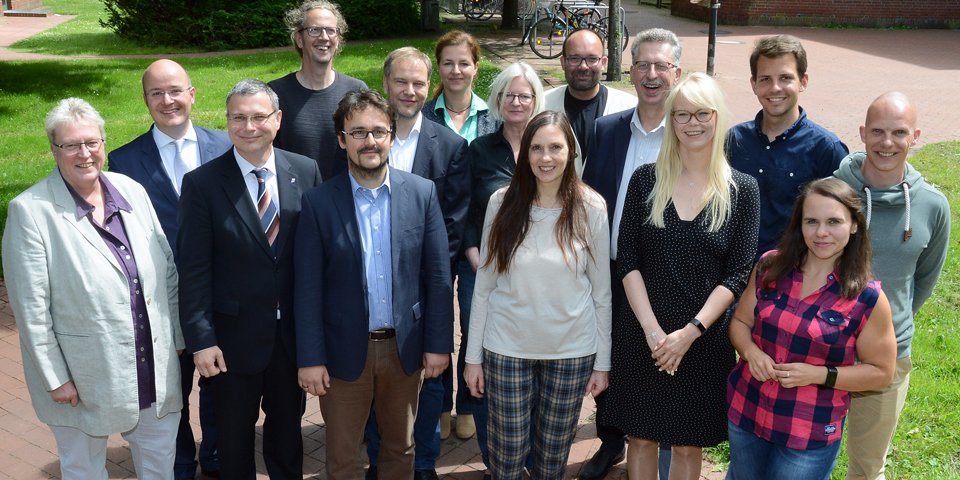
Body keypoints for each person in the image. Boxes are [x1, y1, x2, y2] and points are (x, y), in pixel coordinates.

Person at [3, 97, 183, 479]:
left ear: (104, 142)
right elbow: (32, 310)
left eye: (92, 142)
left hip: (151, 366)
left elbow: (166, 269)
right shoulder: (31, 211)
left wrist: (177, 338)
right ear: (54, 149)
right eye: (71, 145)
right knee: (84, 469)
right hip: (80, 378)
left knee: (160, 466)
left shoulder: (131, 190)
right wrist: (56, 377)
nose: (84, 153)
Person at [599, 72, 760, 480]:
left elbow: (739, 272)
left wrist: (688, 333)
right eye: (682, 114)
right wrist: (655, 333)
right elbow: (628, 260)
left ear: (718, 117)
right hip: (643, 332)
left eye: (702, 113)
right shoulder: (644, 181)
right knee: (640, 437)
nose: (692, 123)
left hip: (703, 338)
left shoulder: (742, 190)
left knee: (689, 443)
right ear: (671, 120)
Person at [294, 89, 453, 480]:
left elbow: (437, 277)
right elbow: (308, 288)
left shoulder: (421, 193)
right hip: (344, 351)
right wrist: (310, 358)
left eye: (380, 132)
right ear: (341, 139)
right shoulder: (318, 203)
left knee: (401, 449)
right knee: (344, 457)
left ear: (392, 137)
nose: (370, 142)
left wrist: (437, 345)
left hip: (405, 349)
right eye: (359, 132)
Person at [177, 80, 322, 480]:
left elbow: (313, 257)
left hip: (289, 340)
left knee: (287, 438)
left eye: (259, 117)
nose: (248, 126)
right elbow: (193, 269)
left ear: (277, 120)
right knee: (233, 444)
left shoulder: (305, 171)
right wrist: (201, 340)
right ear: (227, 122)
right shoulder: (203, 184)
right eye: (238, 118)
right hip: (230, 342)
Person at [463, 110, 612, 479]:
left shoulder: (591, 207)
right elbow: (484, 286)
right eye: (537, 148)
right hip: (507, 348)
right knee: (507, 455)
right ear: (525, 153)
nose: (546, 158)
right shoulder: (502, 203)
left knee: (552, 457)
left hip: (570, 352)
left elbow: (601, 292)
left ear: (570, 152)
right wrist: (473, 358)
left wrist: (602, 364)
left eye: (555, 148)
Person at [107, 59, 231, 480]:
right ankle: (180, 461)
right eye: (156, 93)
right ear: (145, 101)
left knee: (219, 384)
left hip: (219, 291)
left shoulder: (225, 146)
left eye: (175, 90)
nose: (168, 100)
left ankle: (215, 455)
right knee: (171, 388)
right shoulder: (123, 161)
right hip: (160, 298)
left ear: (193, 94)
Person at [727, 178, 896, 479]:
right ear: (799, 224)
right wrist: (751, 352)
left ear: (854, 225)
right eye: (811, 221)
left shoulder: (867, 297)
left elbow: (881, 372)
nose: (821, 233)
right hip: (748, 411)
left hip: (808, 431)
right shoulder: (770, 267)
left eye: (834, 221)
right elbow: (740, 322)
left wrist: (820, 374)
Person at [579, 27, 682, 480]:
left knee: (660, 356)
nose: (652, 74)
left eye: (661, 66)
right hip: (611, 265)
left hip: (667, 272)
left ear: (677, 73)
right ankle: (611, 440)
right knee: (609, 354)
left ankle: (663, 444)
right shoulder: (604, 131)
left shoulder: (691, 131)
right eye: (642, 64)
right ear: (630, 70)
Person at [364, 47, 469, 480]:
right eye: (401, 82)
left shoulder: (450, 146)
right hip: (370, 285)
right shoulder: (364, 136)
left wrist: (422, 276)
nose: (410, 91)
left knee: (431, 377)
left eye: (419, 83)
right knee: (371, 378)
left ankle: (423, 463)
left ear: (431, 87)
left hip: (425, 288)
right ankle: (377, 461)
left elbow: (453, 224)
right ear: (386, 84)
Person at [833, 92, 951, 480]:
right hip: (820, 347)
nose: (887, 143)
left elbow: (925, 279)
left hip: (886, 356)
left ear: (915, 136)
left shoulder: (933, 206)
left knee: (868, 468)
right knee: (799, 459)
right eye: (878, 132)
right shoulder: (831, 193)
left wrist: (886, 326)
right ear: (863, 133)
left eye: (899, 132)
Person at [460, 61, 544, 476]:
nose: (516, 101)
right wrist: (480, 263)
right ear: (498, 100)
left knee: (529, 364)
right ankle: (496, 459)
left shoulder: (549, 148)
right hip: (485, 274)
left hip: (541, 283)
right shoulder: (479, 150)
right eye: (509, 94)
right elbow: (468, 214)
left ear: (535, 101)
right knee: (484, 365)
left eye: (524, 95)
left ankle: (529, 456)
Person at [421, 28, 501, 444]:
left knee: (475, 324)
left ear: (476, 66)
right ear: (439, 66)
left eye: (464, 63)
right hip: (433, 239)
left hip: (477, 246)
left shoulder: (494, 117)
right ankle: (436, 407)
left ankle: (469, 403)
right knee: (436, 325)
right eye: (448, 62)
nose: (456, 70)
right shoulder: (423, 114)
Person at [728, 35, 848, 259]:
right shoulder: (734, 141)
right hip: (734, 276)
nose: (775, 88)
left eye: (785, 78)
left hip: (793, 280)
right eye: (765, 79)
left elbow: (842, 222)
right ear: (753, 84)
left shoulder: (826, 149)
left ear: (803, 81)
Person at [269, 0, 367, 180]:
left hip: (344, 200)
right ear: (299, 39)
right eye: (314, 30)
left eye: (331, 30)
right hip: (295, 201)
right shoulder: (275, 94)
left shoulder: (356, 91)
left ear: (338, 40)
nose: (324, 37)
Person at [543, 28, 636, 170]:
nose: (583, 66)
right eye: (574, 58)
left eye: (592, 59)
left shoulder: (629, 108)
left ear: (604, 62)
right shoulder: (542, 105)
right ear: (563, 62)